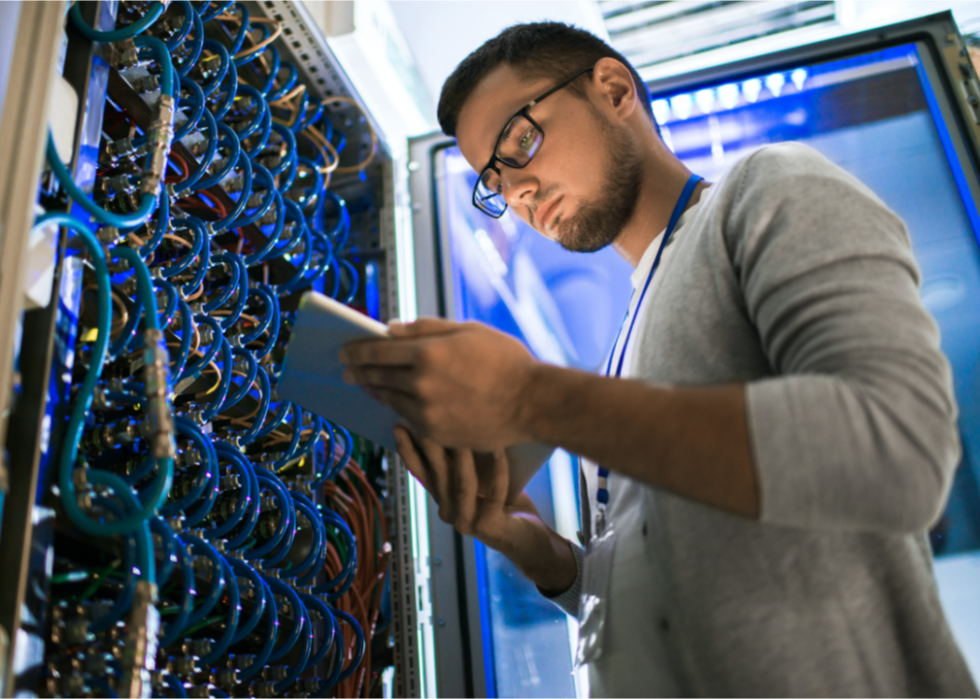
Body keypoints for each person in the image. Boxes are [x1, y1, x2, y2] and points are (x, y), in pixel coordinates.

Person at [339, 21, 978, 697]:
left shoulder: (768, 189)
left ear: (613, 90)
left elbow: (896, 447)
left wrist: (533, 397)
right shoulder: (623, 345)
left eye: (519, 141)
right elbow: (658, 594)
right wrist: (539, 550)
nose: (517, 192)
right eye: (493, 181)